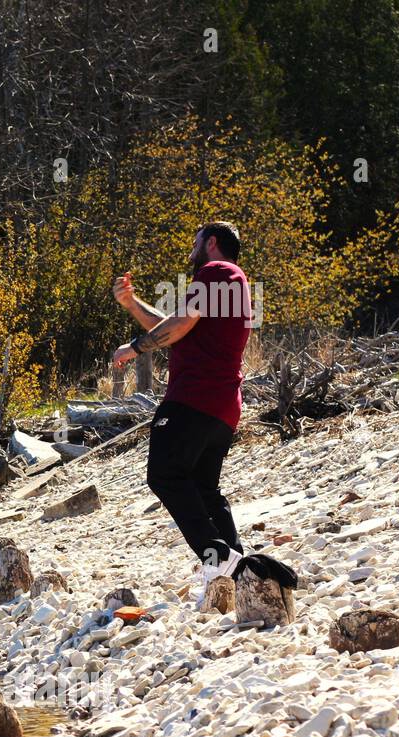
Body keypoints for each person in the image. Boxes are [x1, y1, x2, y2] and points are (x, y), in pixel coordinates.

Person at [110, 221, 254, 598]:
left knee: (164, 475)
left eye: (194, 243)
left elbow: (180, 322)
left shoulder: (216, 271)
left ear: (210, 242)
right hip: (222, 407)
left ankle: (216, 554)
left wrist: (135, 348)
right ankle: (238, 573)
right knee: (206, 489)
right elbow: (174, 327)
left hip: (194, 399)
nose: (191, 251)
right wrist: (131, 303)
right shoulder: (232, 281)